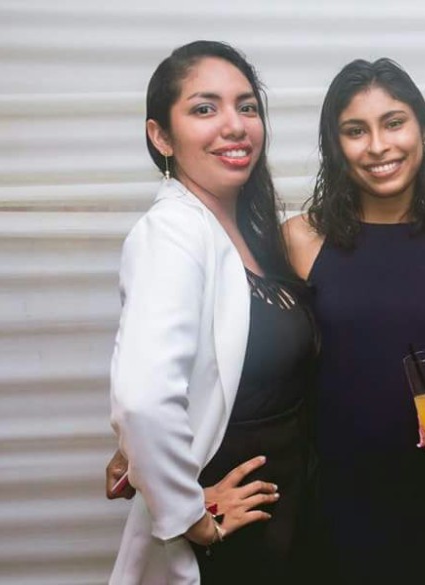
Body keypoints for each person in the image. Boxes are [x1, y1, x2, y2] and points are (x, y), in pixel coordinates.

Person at [107, 40, 319, 583]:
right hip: (241, 543)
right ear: (161, 136)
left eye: (247, 107)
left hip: (291, 515)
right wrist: (190, 517)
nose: (235, 125)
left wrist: (137, 456)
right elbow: (143, 400)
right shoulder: (172, 232)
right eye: (205, 109)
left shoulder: (244, 229)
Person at [282, 58, 425, 583]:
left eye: (394, 123)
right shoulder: (299, 242)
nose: (378, 146)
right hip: (335, 508)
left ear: (423, 130)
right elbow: (254, 359)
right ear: (336, 146)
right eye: (356, 130)